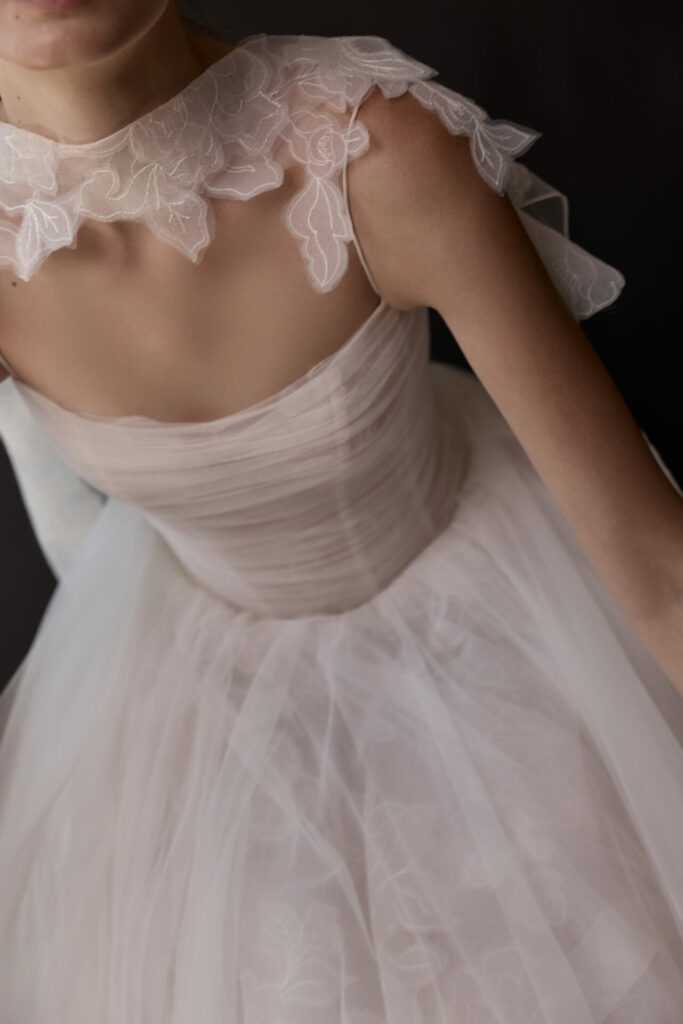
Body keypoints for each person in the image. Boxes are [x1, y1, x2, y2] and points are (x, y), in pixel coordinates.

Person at [0, 1, 682, 1020]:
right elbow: (60, 513)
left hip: (498, 634)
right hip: (185, 682)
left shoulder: (375, 153)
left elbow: (655, 566)